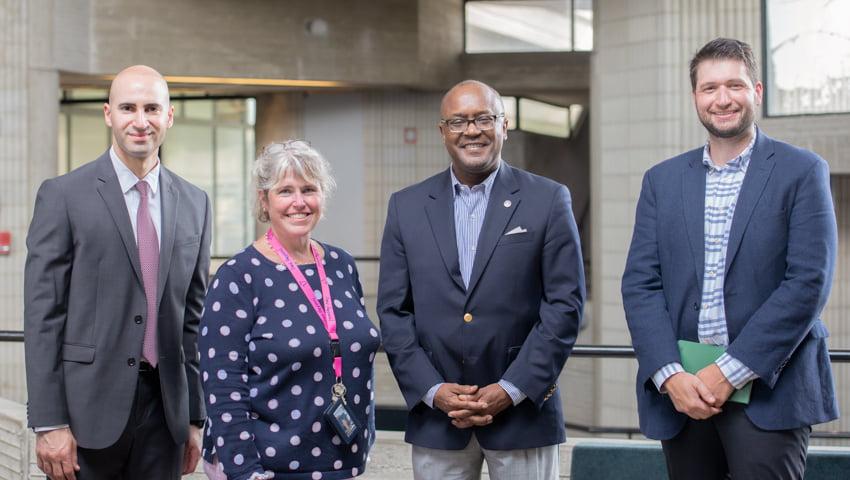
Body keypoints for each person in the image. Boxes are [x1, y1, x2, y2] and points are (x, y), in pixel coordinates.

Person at [621, 38, 839, 479]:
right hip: (683, 395)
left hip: (769, 392)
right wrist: (669, 374)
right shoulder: (661, 181)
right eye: (709, 88)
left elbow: (807, 283)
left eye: (735, 86)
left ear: (757, 92)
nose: (722, 99)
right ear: (695, 98)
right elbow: (641, 285)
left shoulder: (802, 171)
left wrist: (729, 372)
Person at [377, 79, 585, 480]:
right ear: (443, 132)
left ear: (504, 125)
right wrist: (433, 390)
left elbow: (565, 306)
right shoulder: (406, 206)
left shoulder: (548, 199)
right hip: (439, 419)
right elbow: (393, 312)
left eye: (484, 118)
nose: (471, 131)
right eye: (458, 121)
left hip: (524, 416)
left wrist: (511, 389)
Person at [24, 65, 211, 479]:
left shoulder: (195, 203)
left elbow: (192, 322)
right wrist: (50, 421)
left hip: (167, 417)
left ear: (169, 116)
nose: (140, 121)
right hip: (85, 416)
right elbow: (43, 319)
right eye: (128, 108)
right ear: (108, 114)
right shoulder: (63, 196)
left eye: (151, 108)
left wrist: (196, 418)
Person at [199, 140, 379, 480]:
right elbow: (223, 385)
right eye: (285, 191)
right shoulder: (238, 277)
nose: (299, 202)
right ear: (264, 200)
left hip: (343, 463)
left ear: (322, 196)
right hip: (266, 468)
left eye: (309, 189)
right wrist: (244, 471)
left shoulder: (341, 264)